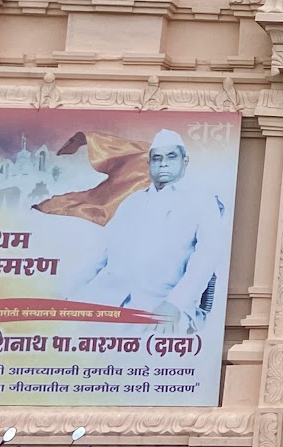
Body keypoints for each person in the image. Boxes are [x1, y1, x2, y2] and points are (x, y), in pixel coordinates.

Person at [74, 129, 227, 332]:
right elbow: (98, 254)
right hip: (106, 299)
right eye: (157, 158)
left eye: (171, 156)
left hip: (161, 305)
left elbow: (208, 255)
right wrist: (70, 296)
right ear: (149, 165)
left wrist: (175, 303)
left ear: (185, 161)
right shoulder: (133, 202)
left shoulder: (201, 200)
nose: (163, 163)